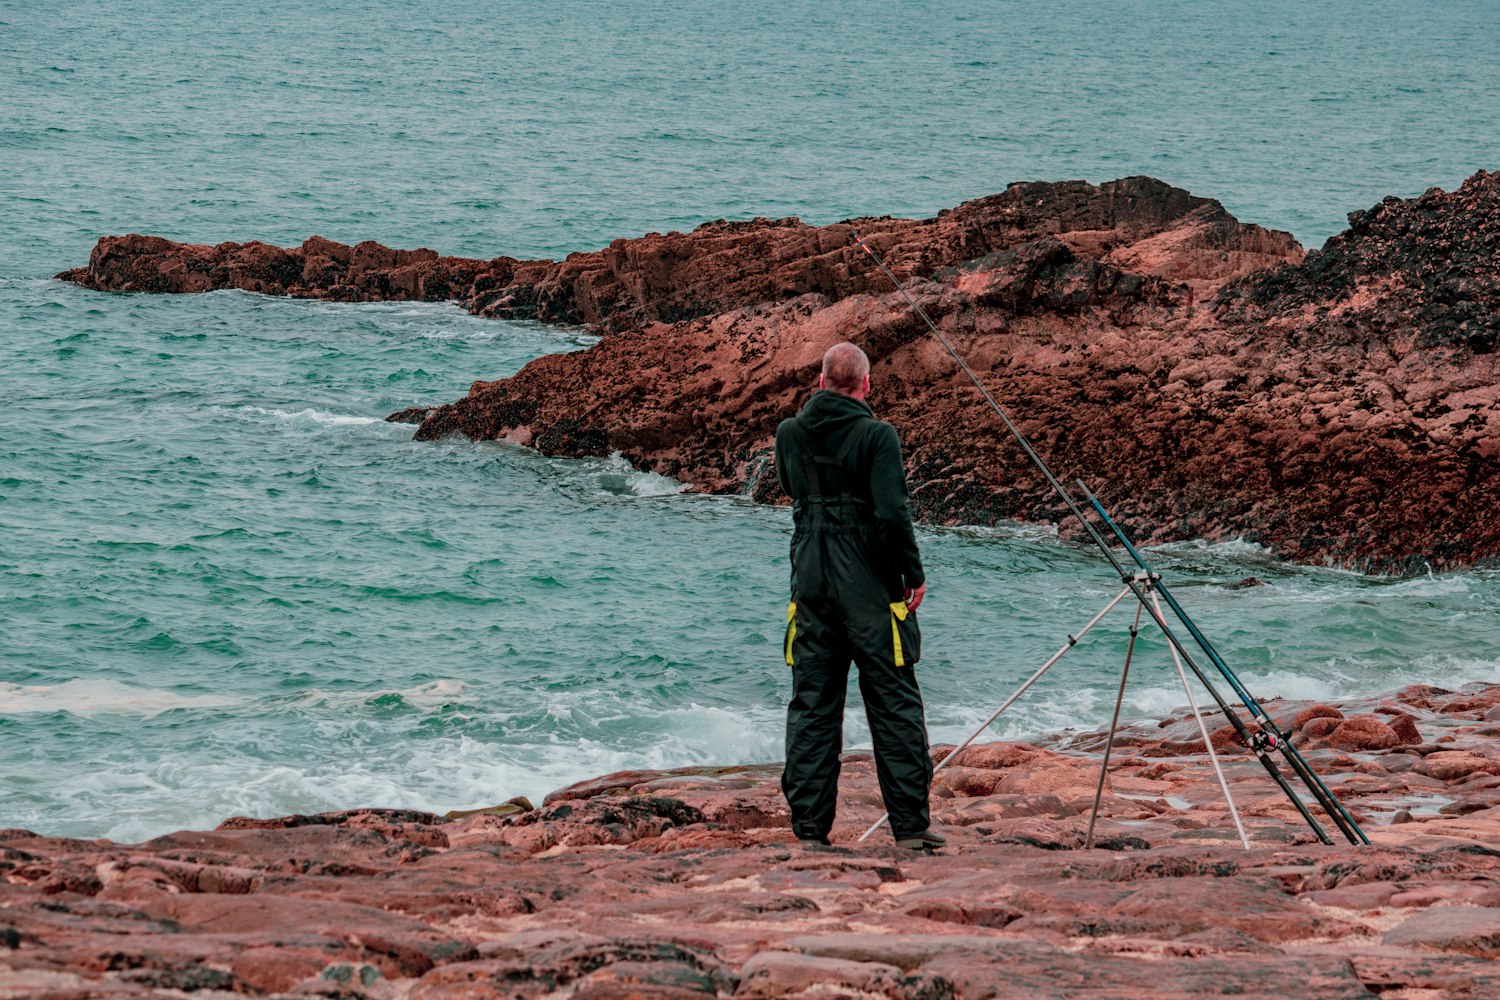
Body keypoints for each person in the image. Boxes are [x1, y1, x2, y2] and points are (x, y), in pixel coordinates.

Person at [775, 341, 943, 851]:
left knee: (813, 703)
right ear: (865, 385)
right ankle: (911, 830)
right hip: (868, 582)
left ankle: (809, 832)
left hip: (811, 577)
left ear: (821, 381)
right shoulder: (878, 435)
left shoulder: (789, 432)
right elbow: (893, 514)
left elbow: (789, 487)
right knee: (893, 704)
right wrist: (913, 575)